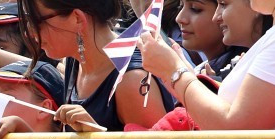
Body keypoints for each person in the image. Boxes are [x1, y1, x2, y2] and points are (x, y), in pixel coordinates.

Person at [138, 0, 275, 130]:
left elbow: (238, 131)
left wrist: (174, 71)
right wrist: (186, 76)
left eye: (224, 4)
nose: (217, 16)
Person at [16, 0, 171, 130]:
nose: (29, 32)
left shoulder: (132, 81)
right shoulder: (75, 60)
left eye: (36, 21)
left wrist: (97, 138)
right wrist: (22, 128)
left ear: (77, 18)